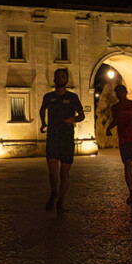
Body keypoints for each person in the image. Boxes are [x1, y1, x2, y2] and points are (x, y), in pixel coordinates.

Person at [39, 68, 85, 213]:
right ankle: (54, 192)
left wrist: (73, 119)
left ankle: (61, 199)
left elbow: (82, 115)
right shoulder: (48, 97)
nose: (60, 78)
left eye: (63, 76)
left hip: (67, 138)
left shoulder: (73, 97)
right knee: (53, 171)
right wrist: (43, 123)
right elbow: (42, 110)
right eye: (58, 76)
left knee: (64, 173)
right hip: (53, 137)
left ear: (67, 80)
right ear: (54, 79)